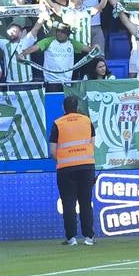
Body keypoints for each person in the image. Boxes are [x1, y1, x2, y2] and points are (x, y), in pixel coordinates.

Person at [50, 94, 95, 246]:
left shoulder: (58, 123)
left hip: (66, 168)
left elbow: (52, 151)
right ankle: (89, 237)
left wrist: (63, 159)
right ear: (77, 107)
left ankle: (71, 238)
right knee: (85, 202)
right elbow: (92, 143)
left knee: (68, 204)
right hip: (86, 166)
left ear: (63, 107)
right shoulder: (87, 121)